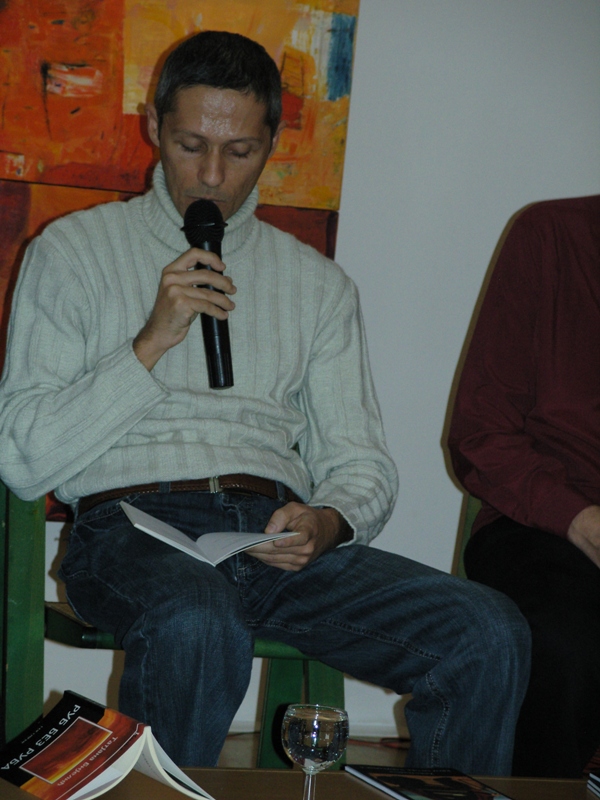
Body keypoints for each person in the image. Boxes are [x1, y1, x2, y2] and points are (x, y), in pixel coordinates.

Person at [0, 31, 530, 772]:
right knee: (197, 616)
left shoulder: (317, 285)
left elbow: (361, 463)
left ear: (272, 144)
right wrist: (150, 343)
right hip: (130, 532)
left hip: (272, 540)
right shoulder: (72, 252)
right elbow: (22, 457)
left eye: (240, 151)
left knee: (486, 629)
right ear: (153, 126)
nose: (212, 175)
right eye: (190, 145)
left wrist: (329, 521)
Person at [448, 194, 600, 778]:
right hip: (546, 523)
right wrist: (581, 519)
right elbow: (480, 434)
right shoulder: (552, 234)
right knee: (565, 645)